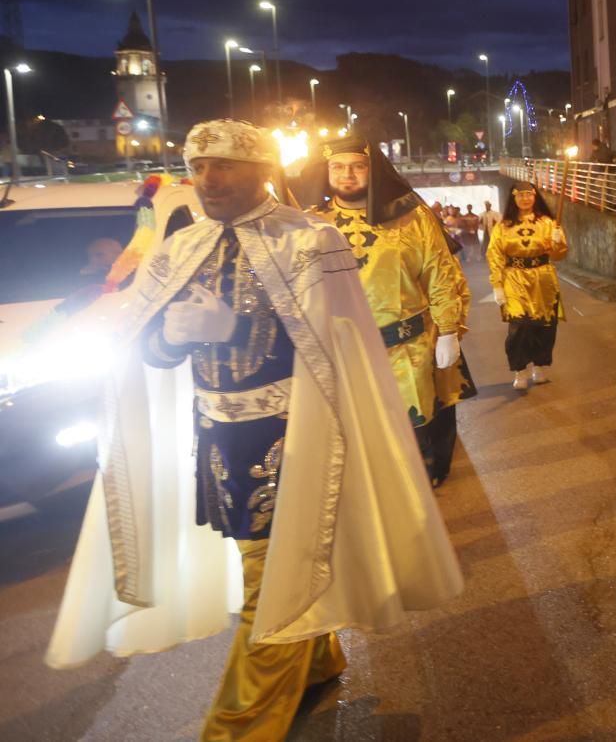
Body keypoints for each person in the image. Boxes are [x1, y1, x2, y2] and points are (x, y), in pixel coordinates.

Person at [46, 120, 461, 739]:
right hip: (217, 442)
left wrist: (237, 330)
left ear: (263, 171)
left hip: (297, 438)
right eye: (199, 166)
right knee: (260, 565)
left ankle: (237, 727)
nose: (208, 179)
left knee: (273, 585)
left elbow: (338, 347)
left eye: (224, 167)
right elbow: (148, 351)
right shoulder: (183, 245)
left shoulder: (310, 240)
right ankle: (317, 658)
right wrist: (170, 338)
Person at [298, 131, 471, 488]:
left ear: (372, 169)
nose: (347, 174)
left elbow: (440, 272)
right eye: (338, 167)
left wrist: (449, 331)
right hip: (344, 352)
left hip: (409, 348)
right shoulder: (309, 224)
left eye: (357, 166)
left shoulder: (412, 217)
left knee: (418, 432)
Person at [488, 181, 568, 390]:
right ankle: (520, 369)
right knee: (519, 326)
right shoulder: (503, 226)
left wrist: (558, 242)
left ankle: (540, 366)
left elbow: (559, 255)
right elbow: (494, 255)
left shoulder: (548, 223)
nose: (525, 199)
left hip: (543, 279)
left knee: (545, 326)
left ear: (535, 197)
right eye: (520, 195)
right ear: (513, 198)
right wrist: (497, 285)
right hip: (514, 278)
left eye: (529, 195)